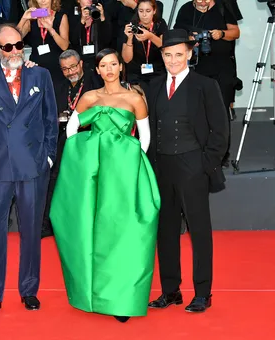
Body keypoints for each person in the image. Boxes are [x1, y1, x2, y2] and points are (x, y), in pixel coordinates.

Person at [49, 48, 159, 323]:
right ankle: (91, 293)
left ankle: (121, 297)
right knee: (91, 230)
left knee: (122, 232)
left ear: (121, 67)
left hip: (122, 174)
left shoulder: (135, 99)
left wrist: (131, 164)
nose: (109, 69)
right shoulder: (89, 98)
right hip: (94, 175)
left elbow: (144, 139)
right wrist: (86, 157)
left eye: (113, 64)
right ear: (96, 70)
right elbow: (71, 131)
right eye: (103, 65)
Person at [0, 23, 58, 317]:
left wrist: (47, 157)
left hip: (32, 167)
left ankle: (29, 290)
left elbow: (50, 120)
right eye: (7, 47)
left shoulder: (40, 75)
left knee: (32, 232)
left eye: (19, 45)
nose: (14, 51)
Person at [146, 29, 228, 313]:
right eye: (168, 55)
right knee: (165, 232)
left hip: (193, 167)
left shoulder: (205, 85)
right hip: (162, 168)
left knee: (199, 231)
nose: (173, 60)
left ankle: (203, 293)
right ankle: (171, 291)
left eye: (179, 54)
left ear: (190, 54)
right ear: (162, 56)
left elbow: (221, 130)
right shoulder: (153, 86)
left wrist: (206, 164)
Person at [174, 0, 240, 168]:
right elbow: (177, 33)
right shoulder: (186, 9)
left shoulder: (223, 7)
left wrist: (221, 34)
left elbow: (236, 32)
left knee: (222, 110)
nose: (203, 2)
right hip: (197, 68)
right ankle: (200, 149)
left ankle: (222, 154)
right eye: (199, 0)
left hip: (222, 68)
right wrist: (189, 38)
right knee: (198, 110)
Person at [41, 49, 97, 238]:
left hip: (88, 140)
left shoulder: (94, 84)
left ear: (81, 64)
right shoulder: (59, 86)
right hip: (63, 139)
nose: (70, 72)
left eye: (73, 66)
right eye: (65, 69)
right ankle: (47, 225)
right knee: (54, 180)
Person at [17, 0, 70, 83]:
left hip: (56, 67)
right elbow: (15, 39)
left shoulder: (61, 16)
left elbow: (64, 46)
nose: (43, 0)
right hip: (35, 66)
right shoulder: (32, 17)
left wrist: (50, 29)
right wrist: (23, 19)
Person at [121, 0, 167, 90]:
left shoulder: (160, 24)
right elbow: (126, 59)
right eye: (141, 11)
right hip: (136, 74)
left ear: (154, 11)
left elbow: (165, 47)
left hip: (157, 72)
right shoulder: (132, 26)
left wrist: (150, 36)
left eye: (148, 11)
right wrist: (129, 38)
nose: (144, 15)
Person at [68, 0, 112, 75]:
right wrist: (82, 21)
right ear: (78, 1)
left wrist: (102, 17)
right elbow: (74, 41)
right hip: (81, 60)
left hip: (98, 58)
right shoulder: (73, 18)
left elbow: (107, 39)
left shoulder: (100, 16)